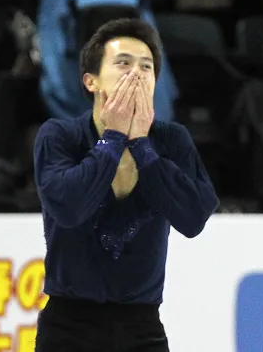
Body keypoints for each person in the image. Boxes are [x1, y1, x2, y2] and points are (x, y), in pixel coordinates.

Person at [33, 18, 218, 352]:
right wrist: (114, 138)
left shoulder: (171, 140)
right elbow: (69, 207)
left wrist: (143, 149)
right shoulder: (60, 136)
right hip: (68, 327)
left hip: (141, 328)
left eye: (146, 67)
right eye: (123, 63)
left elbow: (194, 218)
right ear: (91, 81)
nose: (136, 74)